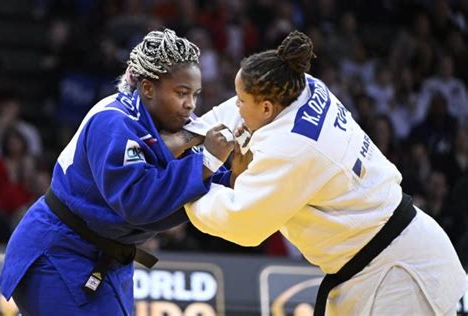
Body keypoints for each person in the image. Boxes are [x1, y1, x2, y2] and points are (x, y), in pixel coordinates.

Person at [169, 31, 467, 315]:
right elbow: (241, 108)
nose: (236, 105)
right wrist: (185, 135)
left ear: (267, 107)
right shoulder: (301, 85)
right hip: (386, 257)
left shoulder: (292, 148)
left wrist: (187, 183)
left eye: (241, 100)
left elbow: (244, 223)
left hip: (399, 271)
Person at [0, 28, 234, 315]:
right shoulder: (114, 123)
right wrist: (209, 161)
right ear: (148, 88)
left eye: (195, 94)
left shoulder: (179, 120)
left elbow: (202, 171)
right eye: (181, 93)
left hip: (106, 258)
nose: (191, 104)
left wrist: (233, 174)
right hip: (58, 251)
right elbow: (137, 202)